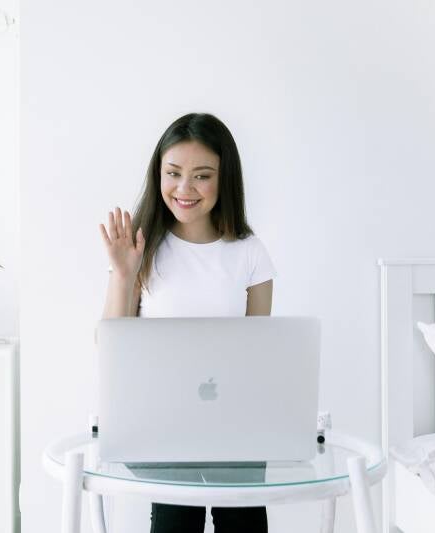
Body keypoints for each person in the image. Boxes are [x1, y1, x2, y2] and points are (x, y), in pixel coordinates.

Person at [98, 112, 276, 533]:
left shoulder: (249, 252)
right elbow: (110, 351)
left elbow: (261, 351)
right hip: (162, 423)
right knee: (175, 522)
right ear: (158, 174)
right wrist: (124, 274)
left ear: (224, 179)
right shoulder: (140, 247)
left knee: (245, 523)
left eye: (202, 176)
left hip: (235, 423)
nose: (184, 189)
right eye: (173, 173)